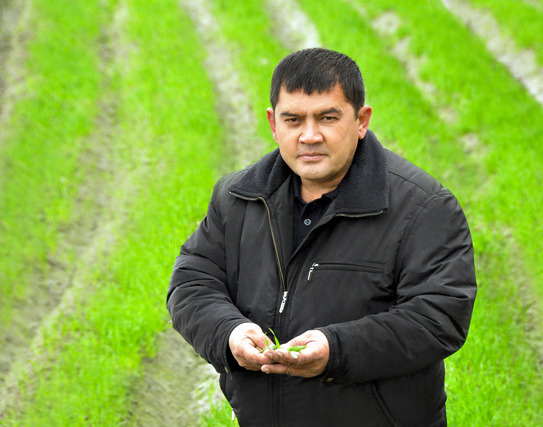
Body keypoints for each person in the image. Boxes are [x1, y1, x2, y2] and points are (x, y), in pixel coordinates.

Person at [167, 48, 476, 426]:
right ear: (273, 124)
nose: (309, 136)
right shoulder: (238, 199)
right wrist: (230, 333)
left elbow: (438, 317)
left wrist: (335, 350)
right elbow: (193, 281)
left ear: (361, 120)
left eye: (328, 118)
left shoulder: (424, 207)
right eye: (293, 119)